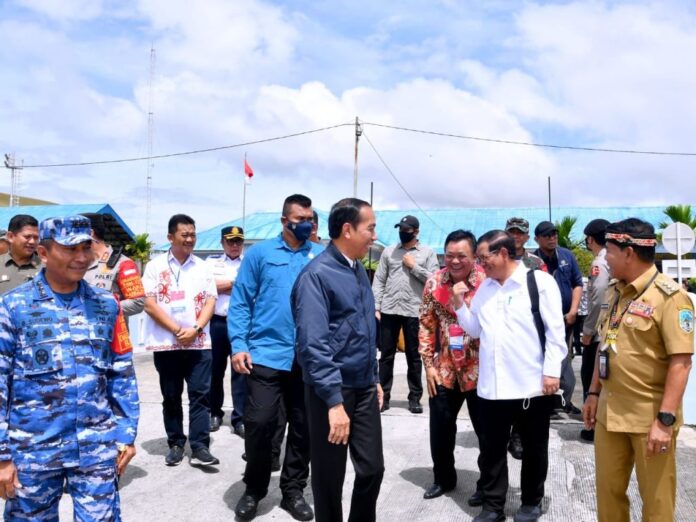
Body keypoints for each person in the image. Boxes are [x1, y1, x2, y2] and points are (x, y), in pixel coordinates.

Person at [0, 215, 139, 520]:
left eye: (86, 247)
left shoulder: (107, 305)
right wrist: (2, 457)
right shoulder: (13, 307)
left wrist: (126, 434)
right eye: (70, 248)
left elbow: (121, 372)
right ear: (45, 253)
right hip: (32, 450)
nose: (81, 257)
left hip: (96, 448)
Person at [582, 218, 694, 522]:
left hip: (650, 419)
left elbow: (681, 363)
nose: (605, 257)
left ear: (629, 252)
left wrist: (665, 421)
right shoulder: (614, 291)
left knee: (656, 502)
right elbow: (605, 346)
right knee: (608, 496)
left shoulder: (670, 297)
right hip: (609, 414)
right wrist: (593, 392)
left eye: (610, 251)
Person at [455, 230, 567, 522]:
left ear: (503, 253)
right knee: (492, 451)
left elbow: (556, 334)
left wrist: (552, 372)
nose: (480, 265)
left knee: (533, 449)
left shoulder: (539, 283)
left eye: (483, 258)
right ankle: (493, 506)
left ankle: (531, 501)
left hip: (531, 385)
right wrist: (459, 306)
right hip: (492, 388)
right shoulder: (486, 289)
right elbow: (476, 330)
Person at [229, 194, 322, 521]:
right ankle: (254, 487)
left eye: (310, 217)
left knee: (304, 427)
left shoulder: (320, 255)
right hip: (266, 353)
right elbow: (240, 301)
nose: (307, 223)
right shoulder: (260, 255)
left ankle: (293, 490)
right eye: (300, 218)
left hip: (308, 358)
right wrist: (239, 344)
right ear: (285, 221)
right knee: (259, 422)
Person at [292, 197, 384, 522]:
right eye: (370, 228)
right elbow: (312, 346)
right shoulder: (316, 276)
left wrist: (374, 378)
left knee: (372, 469)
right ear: (348, 229)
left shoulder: (358, 270)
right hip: (331, 391)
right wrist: (333, 401)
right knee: (329, 477)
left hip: (362, 388)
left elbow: (365, 330)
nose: (374, 235)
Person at [142, 214, 219, 468]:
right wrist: (177, 329)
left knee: (200, 395)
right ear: (170, 237)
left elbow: (211, 300)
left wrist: (196, 328)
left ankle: (199, 447)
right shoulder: (155, 266)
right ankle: (176, 443)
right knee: (171, 395)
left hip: (198, 343)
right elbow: (149, 303)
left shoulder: (203, 266)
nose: (189, 239)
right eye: (184, 234)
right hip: (167, 343)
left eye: (192, 235)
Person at [418, 230, 486, 506]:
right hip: (445, 368)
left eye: (462, 256)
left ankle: (488, 484)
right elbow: (425, 324)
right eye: (449, 256)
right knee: (441, 428)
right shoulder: (434, 283)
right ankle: (443, 478)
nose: (455, 261)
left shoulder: (486, 282)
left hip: (481, 370)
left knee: (487, 432)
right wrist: (428, 365)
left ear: (474, 257)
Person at [372, 215, 439, 413]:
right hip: (389, 310)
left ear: (416, 232)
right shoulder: (389, 252)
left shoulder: (427, 253)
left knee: (414, 357)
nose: (403, 232)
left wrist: (414, 267)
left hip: (414, 311)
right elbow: (379, 280)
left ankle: (415, 398)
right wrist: (376, 306)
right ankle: (383, 397)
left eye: (407, 230)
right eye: (401, 229)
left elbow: (435, 280)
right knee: (386, 356)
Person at [504, 217, 547, 459]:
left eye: (520, 233)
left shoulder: (536, 262)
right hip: (503, 325)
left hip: (528, 327)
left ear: (527, 236)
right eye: (511, 232)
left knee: (523, 386)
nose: (515, 236)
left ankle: (518, 434)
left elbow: (545, 293)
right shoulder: (497, 256)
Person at [534, 221, 583, 415]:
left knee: (564, 359)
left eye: (554, 234)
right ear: (537, 239)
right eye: (547, 235)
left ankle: (563, 401)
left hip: (566, 320)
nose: (552, 238)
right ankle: (549, 403)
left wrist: (573, 310)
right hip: (541, 322)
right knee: (544, 360)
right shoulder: (532, 261)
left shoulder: (567, 256)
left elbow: (577, 284)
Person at [205, 225, 245, 435]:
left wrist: (223, 286)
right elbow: (206, 287)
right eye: (231, 241)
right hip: (217, 322)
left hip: (242, 324)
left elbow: (250, 287)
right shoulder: (211, 263)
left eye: (238, 241)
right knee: (215, 370)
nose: (235, 245)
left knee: (241, 371)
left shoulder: (249, 262)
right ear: (222, 242)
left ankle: (240, 417)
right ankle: (214, 413)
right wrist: (235, 283)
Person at [578, 219, 610, 442]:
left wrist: (588, 330)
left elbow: (598, 299)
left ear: (590, 239)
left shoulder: (601, 262)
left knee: (591, 377)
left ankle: (591, 426)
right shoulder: (616, 257)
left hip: (600, 333)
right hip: (614, 330)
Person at [82, 212, 145, 319]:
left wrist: (101, 307)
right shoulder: (78, 263)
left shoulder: (123, 264)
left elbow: (138, 303)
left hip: (110, 334)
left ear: (91, 233)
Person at [0, 214, 41, 293]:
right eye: (27, 237)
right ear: (10, 236)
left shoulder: (47, 268)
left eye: (36, 238)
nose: (32, 241)